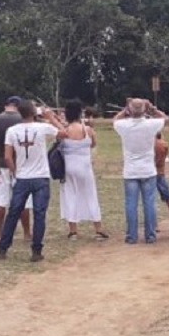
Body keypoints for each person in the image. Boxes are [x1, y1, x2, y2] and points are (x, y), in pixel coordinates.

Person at [0, 100, 66, 262]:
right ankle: (36, 250)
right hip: (40, 176)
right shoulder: (43, 128)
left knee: (13, 213)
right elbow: (64, 134)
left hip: (22, 177)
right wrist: (51, 118)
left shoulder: (12, 131)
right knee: (39, 214)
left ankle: (3, 248)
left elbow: (7, 156)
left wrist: (15, 172)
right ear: (34, 113)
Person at [113, 99, 167, 244]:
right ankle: (150, 235)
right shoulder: (151, 124)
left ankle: (132, 236)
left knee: (131, 204)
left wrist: (125, 110)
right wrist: (152, 108)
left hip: (131, 170)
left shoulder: (123, 125)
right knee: (149, 203)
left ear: (130, 110)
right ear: (144, 110)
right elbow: (164, 118)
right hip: (148, 169)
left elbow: (115, 120)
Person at [0, 96, 32, 242]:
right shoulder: (24, 120)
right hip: (22, 165)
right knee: (23, 201)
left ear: (6, 105)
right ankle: (26, 233)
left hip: (1, 164)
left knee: (0, 200)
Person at [60, 100, 108, 240]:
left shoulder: (65, 130)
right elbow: (93, 144)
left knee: (70, 195)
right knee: (90, 194)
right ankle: (98, 228)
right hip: (84, 165)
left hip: (69, 166)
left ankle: (73, 230)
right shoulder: (87, 129)